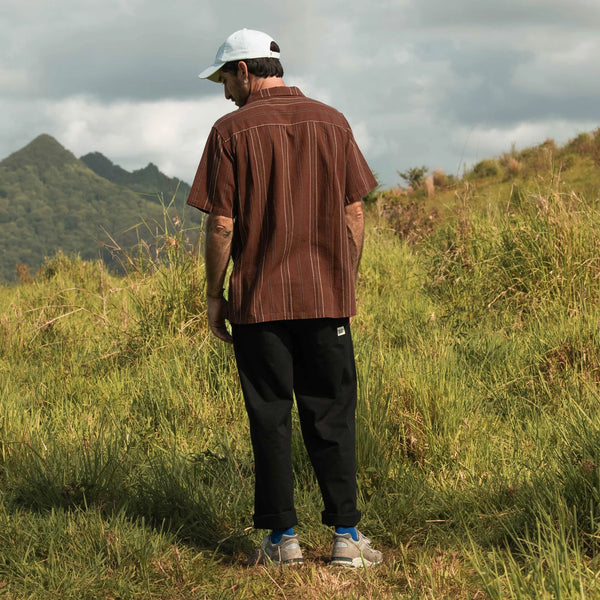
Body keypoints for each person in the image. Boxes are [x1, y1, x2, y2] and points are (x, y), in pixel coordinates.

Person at [187, 28, 382, 568]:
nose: (224, 91)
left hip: (259, 304)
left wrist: (213, 295)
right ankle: (346, 538)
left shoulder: (229, 131)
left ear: (244, 72)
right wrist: (346, 279)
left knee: (269, 417)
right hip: (326, 299)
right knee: (333, 415)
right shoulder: (333, 121)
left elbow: (222, 224)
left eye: (225, 78)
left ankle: (282, 541)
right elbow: (355, 211)